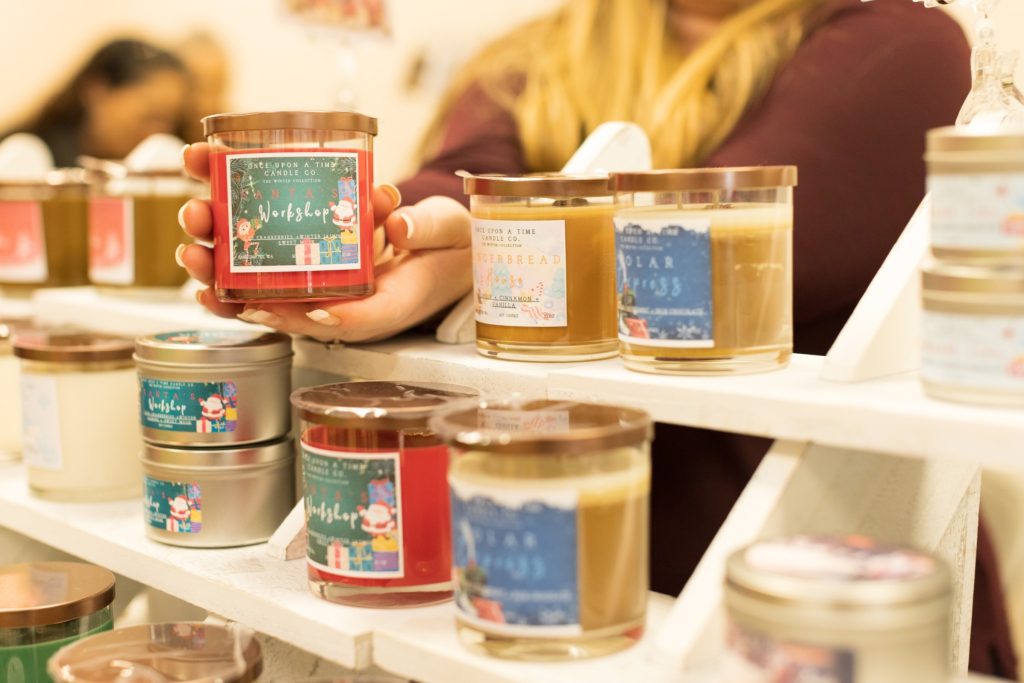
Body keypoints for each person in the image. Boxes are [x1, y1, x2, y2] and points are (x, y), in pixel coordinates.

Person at [177, 0, 1017, 675]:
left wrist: (480, 251)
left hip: (811, 591)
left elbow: (710, 257)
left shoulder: (903, 42)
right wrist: (394, 248)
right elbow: (460, 178)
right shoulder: (535, 53)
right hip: (531, 591)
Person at [5, 38, 188, 166]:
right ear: (97, 90)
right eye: (150, 116)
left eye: (170, 121)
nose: (158, 134)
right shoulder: (27, 163)